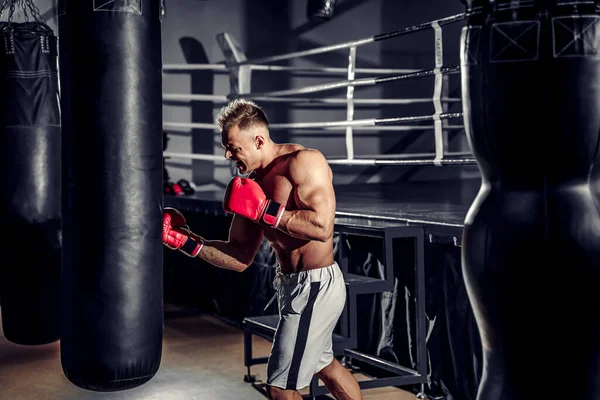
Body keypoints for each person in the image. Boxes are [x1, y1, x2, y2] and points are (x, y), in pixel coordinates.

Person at [162, 98, 362, 400]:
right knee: (327, 366)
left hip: (316, 286)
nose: (229, 155)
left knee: (280, 388)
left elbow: (323, 228)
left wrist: (268, 212)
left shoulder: (303, 161)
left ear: (258, 140)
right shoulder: (250, 186)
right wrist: (186, 241)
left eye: (233, 147)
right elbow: (240, 255)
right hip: (290, 286)